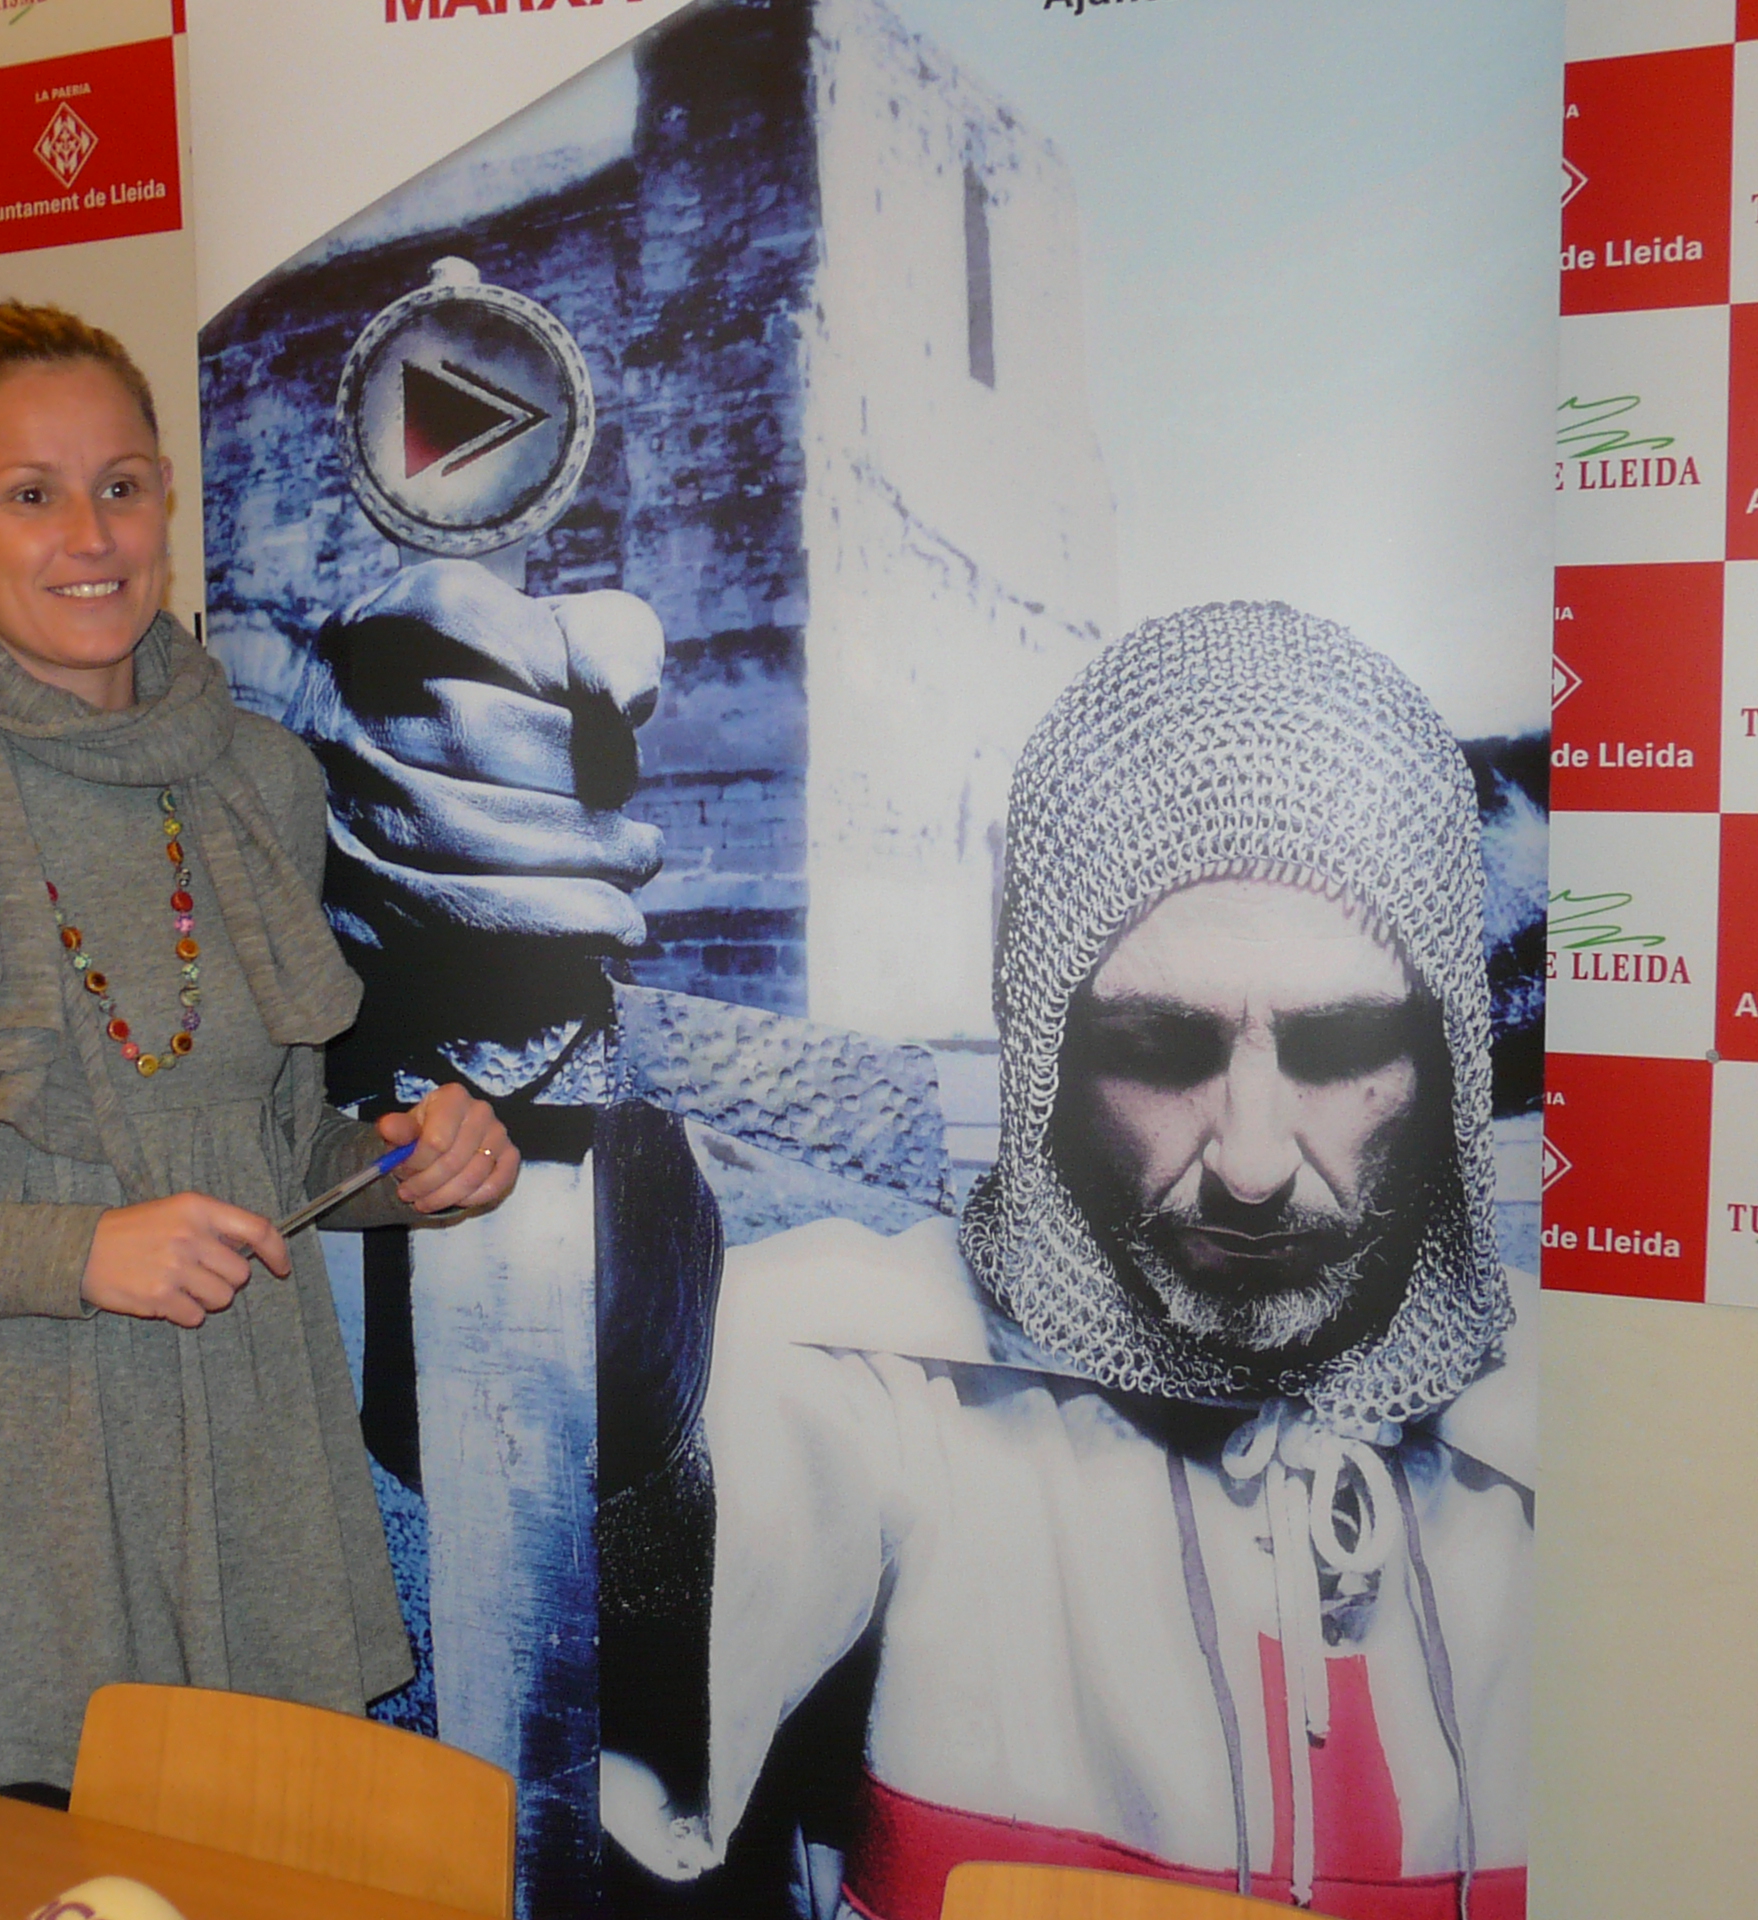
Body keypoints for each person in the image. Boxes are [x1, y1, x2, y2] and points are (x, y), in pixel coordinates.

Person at [0, 301, 520, 1801]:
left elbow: (273, 1155)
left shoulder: (266, 779)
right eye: (31, 493)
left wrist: (405, 1169)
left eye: (123, 485)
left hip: (242, 1469)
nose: (92, 536)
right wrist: (79, 1252)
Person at [597, 602, 1534, 1920]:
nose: (1251, 1162)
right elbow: (679, 1576)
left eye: (1338, 1051)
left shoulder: (1583, 1439)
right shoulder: (885, 1377)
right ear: (1052, 1052)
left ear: (1440, 1062)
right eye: (1161, 1050)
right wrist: (633, 1429)